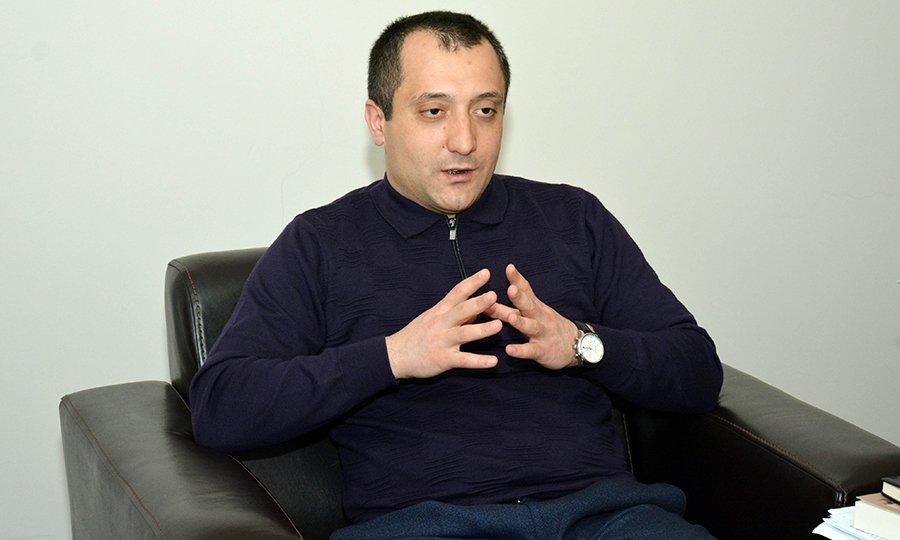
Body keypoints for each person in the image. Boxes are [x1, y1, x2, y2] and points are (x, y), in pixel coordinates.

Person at [190, 10, 722, 539]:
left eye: (485, 110)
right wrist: (393, 356)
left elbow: (698, 373)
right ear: (378, 121)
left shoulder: (573, 219)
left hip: (603, 519)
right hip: (424, 527)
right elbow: (221, 406)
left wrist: (581, 344)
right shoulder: (320, 243)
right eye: (434, 112)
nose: (465, 141)